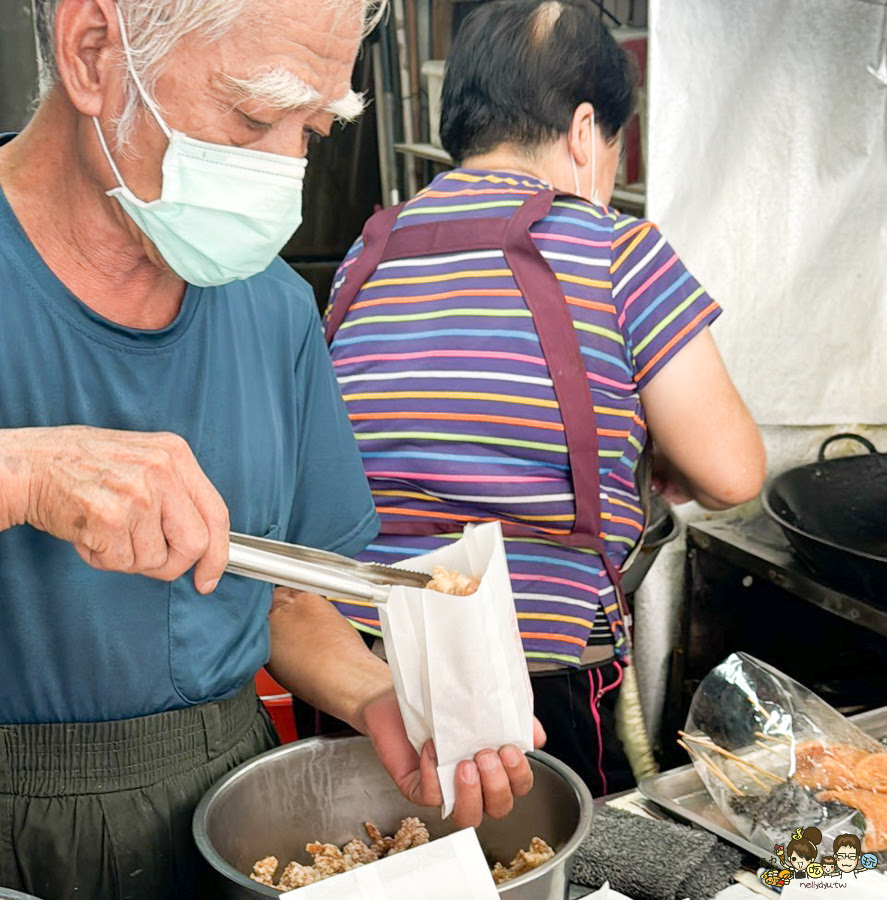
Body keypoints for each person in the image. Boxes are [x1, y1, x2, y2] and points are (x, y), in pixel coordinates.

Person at [0, 2, 537, 897]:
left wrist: (379, 700)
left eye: (313, 128)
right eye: (253, 116)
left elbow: (286, 597)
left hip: (232, 805)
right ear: (94, 52)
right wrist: (23, 470)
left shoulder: (274, 308)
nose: (285, 171)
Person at [323, 0, 765, 795]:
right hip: (535, 672)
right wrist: (666, 460)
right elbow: (732, 473)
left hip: (361, 664)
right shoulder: (616, 250)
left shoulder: (371, 248)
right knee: (542, 873)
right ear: (584, 128)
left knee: (390, 867)